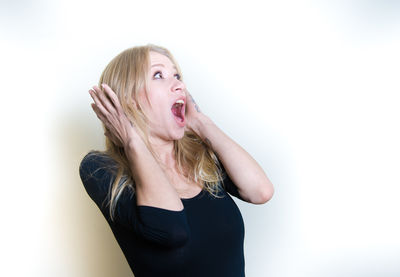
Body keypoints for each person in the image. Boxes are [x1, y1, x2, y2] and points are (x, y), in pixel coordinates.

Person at [79, 43, 274, 277]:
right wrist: (132, 138)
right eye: (158, 75)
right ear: (129, 99)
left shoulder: (200, 157)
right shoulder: (100, 168)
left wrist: (202, 124)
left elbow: (260, 191)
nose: (179, 84)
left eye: (177, 75)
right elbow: (171, 229)